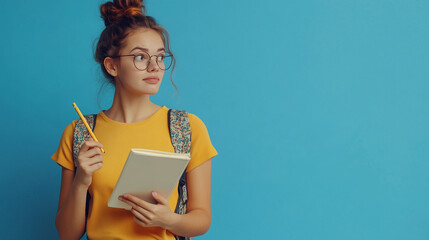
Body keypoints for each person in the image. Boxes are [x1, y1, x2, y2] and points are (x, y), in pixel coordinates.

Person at [51, 0, 218, 239]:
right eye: (141, 57)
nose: (155, 67)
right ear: (112, 66)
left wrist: (167, 219)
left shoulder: (187, 128)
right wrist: (81, 181)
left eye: (160, 57)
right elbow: (67, 234)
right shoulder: (80, 133)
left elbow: (202, 218)